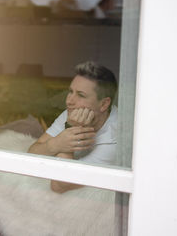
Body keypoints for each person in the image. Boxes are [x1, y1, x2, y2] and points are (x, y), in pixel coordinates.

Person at [28, 61, 118, 193]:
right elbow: (31, 153)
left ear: (104, 104)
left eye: (81, 95)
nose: (69, 101)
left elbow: (59, 185)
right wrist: (56, 144)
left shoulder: (115, 137)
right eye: (70, 92)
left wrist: (70, 131)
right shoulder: (72, 114)